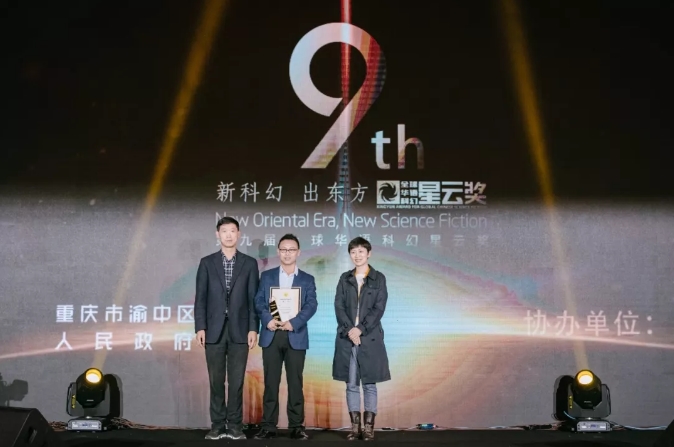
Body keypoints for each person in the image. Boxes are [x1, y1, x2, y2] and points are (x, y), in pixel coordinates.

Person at [195, 216, 260, 440]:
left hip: (240, 330)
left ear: (239, 234)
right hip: (213, 330)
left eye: (233, 231)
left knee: (237, 382)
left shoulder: (249, 263)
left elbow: (253, 300)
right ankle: (216, 425)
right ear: (218, 234)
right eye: (224, 231)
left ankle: (234, 426)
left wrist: (253, 328)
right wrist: (200, 327)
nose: (229, 235)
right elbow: (200, 298)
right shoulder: (207, 262)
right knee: (215, 382)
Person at [253, 234, 318, 440]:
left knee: (295, 383)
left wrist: (294, 322)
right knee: (270, 383)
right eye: (283, 249)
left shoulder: (307, 279)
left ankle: (296, 426)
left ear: (298, 252)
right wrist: (267, 319)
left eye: (291, 250)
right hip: (272, 334)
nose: (287, 253)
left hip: (295, 334)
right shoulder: (267, 276)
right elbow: (259, 301)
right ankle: (268, 426)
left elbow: (311, 305)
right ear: (278, 252)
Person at [332, 237, 390, 441]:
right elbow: (338, 306)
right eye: (353, 252)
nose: (357, 256)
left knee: (369, 384)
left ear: (369, 253)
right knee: (351, 384)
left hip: (369, 337)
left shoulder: (378, 278)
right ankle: (355, 428)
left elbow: (379, 308)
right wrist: (350, 330)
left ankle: (369, 428)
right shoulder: (344, 278)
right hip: (347, 338)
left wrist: (360, 329)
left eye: (361, 252)